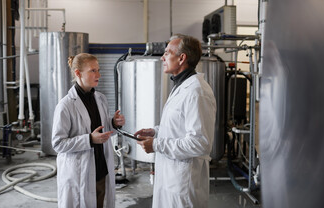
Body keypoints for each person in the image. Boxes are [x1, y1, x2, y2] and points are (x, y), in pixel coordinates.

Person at [135, 34, 216, 208]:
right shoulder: (181, 86)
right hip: (171, 177)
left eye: (167, 53)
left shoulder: (196, 92)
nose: (162, 58)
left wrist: (156, 145)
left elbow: (200, 142)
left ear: (181, 58)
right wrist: (156, 132)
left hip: (184, 183)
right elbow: (180, 126)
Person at [52, 53, 125, 208]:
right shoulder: (65, 105)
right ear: (78, 73)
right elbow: (58, 143)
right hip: (80, 173)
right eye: (93, 71)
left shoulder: (100, 98)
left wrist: (113, 123)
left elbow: (102, 128)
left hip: (100, 169)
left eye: (98, 70)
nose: (98, 75)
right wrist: (89, 140)